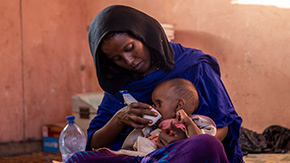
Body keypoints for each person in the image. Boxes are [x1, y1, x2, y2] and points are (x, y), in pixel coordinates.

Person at [69, 4, 243, 163]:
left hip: (187, 155)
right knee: (78, 159)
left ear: (143, 35)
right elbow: (94, 143)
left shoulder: (195, 65)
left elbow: (223, 127)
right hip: (141, 156)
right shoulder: (121, 82)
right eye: (117, 58)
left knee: (204, 145)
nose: (128, 61)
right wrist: (119, 118)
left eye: (129, 48)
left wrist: (186, 141)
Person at [120, 78, 217, 156]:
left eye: (158, 104)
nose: (154, 108)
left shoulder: (194, 123)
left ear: (178, 105)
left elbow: (201, 143)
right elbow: (131, 142)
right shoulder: (153, 128)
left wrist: (188, 122)